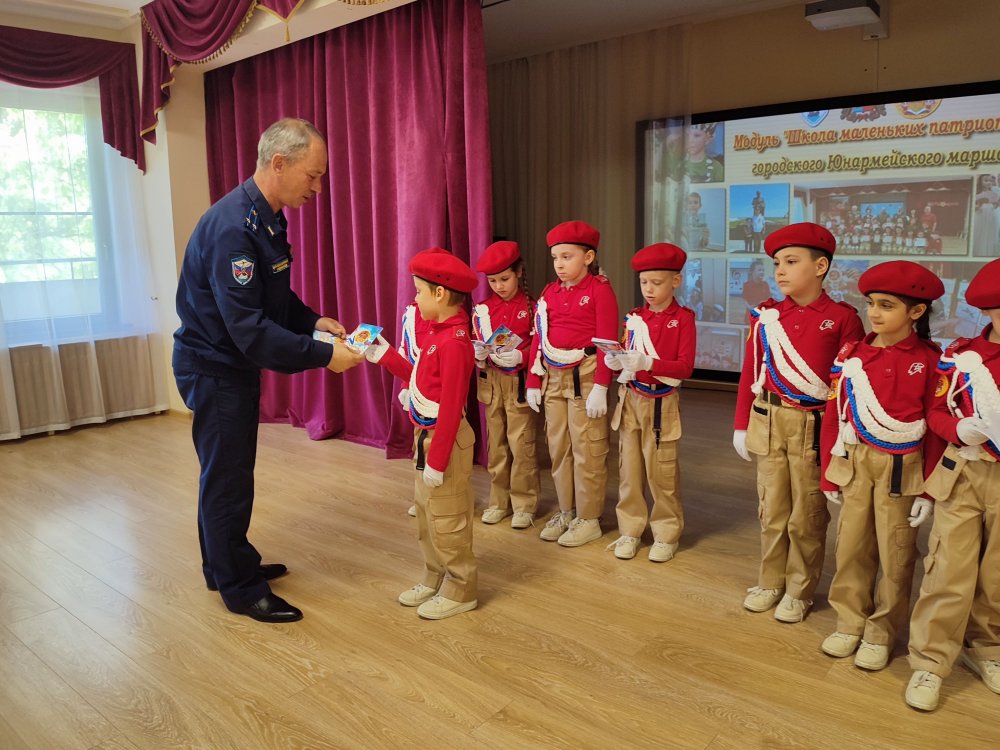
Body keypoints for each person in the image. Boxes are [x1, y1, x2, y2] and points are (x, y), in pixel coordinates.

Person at [172, 117, 364, 623]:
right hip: (214, 368)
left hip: (228, 364)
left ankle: (224, 564)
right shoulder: (234, 229)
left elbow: (272, 295)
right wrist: (324, 355)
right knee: (228, 479)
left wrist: (312, 320)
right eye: (312, 176)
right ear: (279, 163)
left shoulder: (265, 216)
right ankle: (239, 589)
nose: (317, 188)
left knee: (228, 473)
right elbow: (250, 330)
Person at [732, 222, 865, 623]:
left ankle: (799, 588)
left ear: (821, 266)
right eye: (777, 263)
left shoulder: (842, 319)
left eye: (791, 262)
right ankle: (770, 580)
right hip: (769, 418)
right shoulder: (767, 317)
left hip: (813, 424)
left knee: (806, 513)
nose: (780, 271)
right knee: (771, 507)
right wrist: (741, 423)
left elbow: (846, 386)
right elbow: (750, 370)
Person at [818, 261, 946, 671]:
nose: (873, 313)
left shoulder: (930, 360)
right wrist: (827, 470)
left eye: (887, 305)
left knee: (896, 553)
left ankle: (881, 631)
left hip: (902, 469)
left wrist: (928, 489)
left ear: (916, 311)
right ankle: (849, 621)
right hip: (856, 463)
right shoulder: (852, 355)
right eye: (871, 303)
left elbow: (935, 429)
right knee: (851, 546)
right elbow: (834, 412)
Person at [905, 258, 1000, 711]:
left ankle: (988, 648)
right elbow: (936, 412)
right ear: (991, 311)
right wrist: (958, 429)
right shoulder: (964, 358)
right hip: (964, 473)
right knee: (948, 570)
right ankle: (930, 659)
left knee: (997, 574)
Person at [364, 248, 479, 620]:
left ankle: (461, 588)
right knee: (428, 516)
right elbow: (420, 376)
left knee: (448, 518)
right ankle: (435, 576)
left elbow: (451, 407)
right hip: (425, 437)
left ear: (440, 294)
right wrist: (384, 355)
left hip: (445, 442)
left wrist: (439, 461)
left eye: (418, 291)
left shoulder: (455, 341)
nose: (415, 299)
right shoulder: (436, 333)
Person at [526, 220, 620, 547]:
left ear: (588, 257)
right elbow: (539, 337)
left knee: (587, 449)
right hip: (554, 375)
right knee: (558, 448)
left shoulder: (600, 290)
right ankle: (567, 510)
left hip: (586, 375)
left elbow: (607, 343)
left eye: (567, 257)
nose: (559, 264)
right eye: (555, 258)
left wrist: (602, 387)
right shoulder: (549, 292)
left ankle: (589, 518)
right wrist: (533, 380)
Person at [604, 243, 696, 562]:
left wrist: (649, 363)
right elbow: (627, 353)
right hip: (630, 398)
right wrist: (617, 362)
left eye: (657, 282)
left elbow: (685, 367)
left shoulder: (682, 319)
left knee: (661, 473)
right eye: (644, 282)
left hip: (661, 403)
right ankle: (630, 529)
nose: (649, 289)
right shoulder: (635, 317)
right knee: (629, 471)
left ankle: (666, 533)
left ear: (676, 281)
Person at [472, 241, 540, 529]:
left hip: (518, 383)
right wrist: (477, 355)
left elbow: (540, 346)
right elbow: (476, 340)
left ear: (519, 272)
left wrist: (522, 356)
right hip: (491, 382)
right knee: (496, 445)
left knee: (521, 444)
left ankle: (524, 504)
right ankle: (498, 501)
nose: (499, 286)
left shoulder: (532, 307)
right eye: (492, 281)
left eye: (504, 279)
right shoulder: (483, 310)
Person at [396, 302, 431, 518]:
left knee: (444, 451)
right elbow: (406, 350)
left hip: (440, 396)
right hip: (417, 390)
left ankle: (447, 499)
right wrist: (405, 385)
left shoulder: (450, 319)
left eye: (420, 290)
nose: (417, 296)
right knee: (419, 446)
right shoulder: (411, 313)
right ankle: (422, 498)